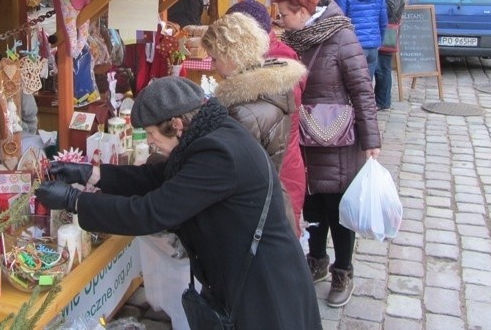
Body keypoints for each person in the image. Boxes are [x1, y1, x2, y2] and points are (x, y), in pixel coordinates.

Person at [35, 76, 322, 329]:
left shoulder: (218, 153)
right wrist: (91, 174)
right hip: (244, 277)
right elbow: (159, 177)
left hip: (265, 289)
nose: (151, 143)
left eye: (151, 135)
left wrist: (74, 201)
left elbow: (151, 212)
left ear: (175, 124)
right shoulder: (209, 136)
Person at [274, 0, 381, 308]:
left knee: (338, 210)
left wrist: (371, 140)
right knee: (312, 206)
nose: (279, 21)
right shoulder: (293, 39)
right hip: (302, 140)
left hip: (337, 140)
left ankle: (343, 270)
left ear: (303, 12)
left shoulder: (341, 36)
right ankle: (316, 260)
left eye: (284, 15)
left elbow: (362, 89)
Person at [220, 0, 307, 235]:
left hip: (280, 168)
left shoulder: (273, 63)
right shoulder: (268, 57)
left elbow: (263, 124)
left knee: (281, 238)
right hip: (282, 163)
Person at [334, 0, 387, 78]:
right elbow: (383, 21)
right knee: (367, 85)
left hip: (352, 45)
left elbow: (339, 21)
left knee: (352, 84)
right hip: (373, 44)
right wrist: (379, 41)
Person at [373, 0, 406, 109]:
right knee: (381, 68)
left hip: (387, 32)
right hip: (383, 31)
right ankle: (381, 100)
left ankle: (383, 101)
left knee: (382, 68)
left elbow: (389, 11)